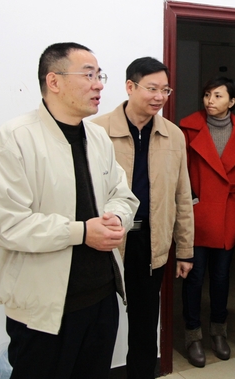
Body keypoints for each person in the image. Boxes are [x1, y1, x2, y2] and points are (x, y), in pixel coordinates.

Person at [0, 42, 139, 379]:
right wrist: (82, 232)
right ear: (54, 81)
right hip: (44, 311)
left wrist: (116, 218)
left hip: (102, 300)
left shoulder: (97, 138)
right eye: (88, 75)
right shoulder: (15, 138)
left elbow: (122, 195)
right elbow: (3, 223)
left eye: (100, 76)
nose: (99, 85)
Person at [92, 57, 194, 379]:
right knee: (98, 324)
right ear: (130, 87)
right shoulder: (95, 130)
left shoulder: (173, 135)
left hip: (151, 241)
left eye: (165, 90)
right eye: (152, 88)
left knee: (145, 324)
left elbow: (182, 195)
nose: (159, 97)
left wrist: (185, 250)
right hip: (105, 241)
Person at [179, 77, 235, 367]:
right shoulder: (188, 128)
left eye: (218, 96)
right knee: (194, 276)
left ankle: (219, 332)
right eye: (207, 95)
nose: (210, 100)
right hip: (197, 211)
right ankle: (193, 335)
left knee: (222, 277)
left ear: (232, 102)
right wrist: (191, 200)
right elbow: (181, 171)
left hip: (228, 212)